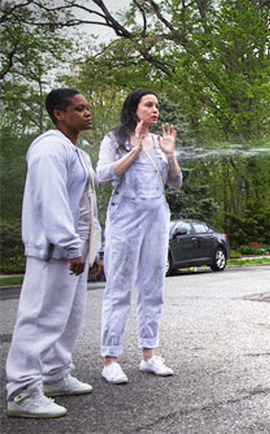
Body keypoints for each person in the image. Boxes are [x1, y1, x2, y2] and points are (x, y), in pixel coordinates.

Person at [5, 88, 101, 418]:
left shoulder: (78, 153)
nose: (87, 113)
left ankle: (55, 375)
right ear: (59, 114)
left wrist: (92, 249)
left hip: (76, 251)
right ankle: (21, 391)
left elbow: (86, 206)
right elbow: (52, 201)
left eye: (87, 107)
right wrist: (70, 245)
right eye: (79, 108)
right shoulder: (49, 148)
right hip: (53, 251)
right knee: (40, 319)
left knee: (68, 318)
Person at [96, 89, 182, 384]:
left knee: (153, 287)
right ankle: (110, 360)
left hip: (156, 219)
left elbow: (176, 182)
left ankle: (149, 355)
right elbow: (103, 175)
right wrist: (134, 149)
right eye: (149, 105)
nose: (155, 109)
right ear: (135, 109)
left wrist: (170, 154)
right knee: (118, 287)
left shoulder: (160, 142)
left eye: (157, 105)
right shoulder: (115, 139)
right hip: (124, 219)